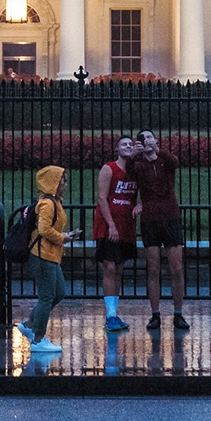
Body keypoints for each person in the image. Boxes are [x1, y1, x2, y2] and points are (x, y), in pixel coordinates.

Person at [129, 130, 187, 331]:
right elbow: (129, 171)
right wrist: (136, 154)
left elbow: (175, 162)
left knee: (176, 267)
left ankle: (178, 313)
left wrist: (157, 150)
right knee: (153, 268)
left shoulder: (165, 159)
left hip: (170, 217)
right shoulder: (138, 164)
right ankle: (155, 314)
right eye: (143, 139)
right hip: (151, 220)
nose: (147, 142)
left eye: (149, 138)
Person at [15, 165, 76, 354]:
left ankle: (29, 323)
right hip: (42, 256)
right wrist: (63, 237)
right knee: (47, 297)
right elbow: (44, 230)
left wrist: (65, 235)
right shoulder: (48, 204)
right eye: (62, 180)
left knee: (59, 292)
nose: (65, 184)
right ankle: (38, 340)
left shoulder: (54, 201)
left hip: (50, 255)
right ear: (54, 183)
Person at [94, 135, 139, 332]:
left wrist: (141, 204)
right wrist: (110, 224)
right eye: (124, 144)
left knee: (119, 268)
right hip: (109, 226)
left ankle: (114, 312)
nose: (128, 146)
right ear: (117, 148)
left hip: (127, 225)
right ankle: (110, 315)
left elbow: (147, 192)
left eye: (131, 144)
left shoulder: (136, 171)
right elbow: (102, 198)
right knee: (110, 267)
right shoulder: (109, 168)